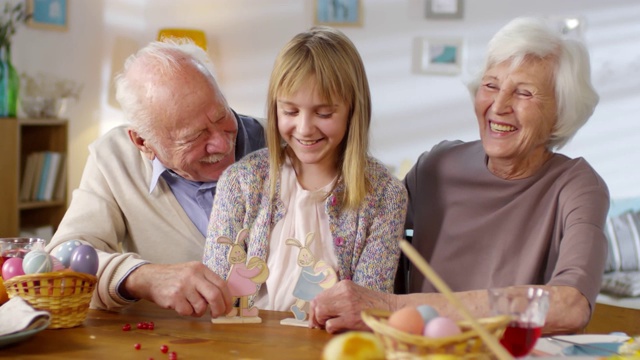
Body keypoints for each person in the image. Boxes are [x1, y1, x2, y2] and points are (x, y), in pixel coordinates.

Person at [309, 16, 609, 334]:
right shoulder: (437, 166)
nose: (499, 105)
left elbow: (571, 306)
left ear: (561, 110)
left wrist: (393, 306)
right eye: (491, 85)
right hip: (418, 351)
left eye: (524, 93)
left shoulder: (577, 185)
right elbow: (361, 228)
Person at [45, 39, 266, 318]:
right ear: (143, 142)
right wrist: (142, 278)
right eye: (195, 136)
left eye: (222, 116)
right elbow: (61, 258)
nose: (222, 145)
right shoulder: (114, 159)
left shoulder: (288, 144)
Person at [202, 26, 407, 319]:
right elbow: (217, 290)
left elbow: (367, 306)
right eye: (290, 111)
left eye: (324, 114)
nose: (305, 128)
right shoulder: (241, 181)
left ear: (353, 111)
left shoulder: (385, 195)